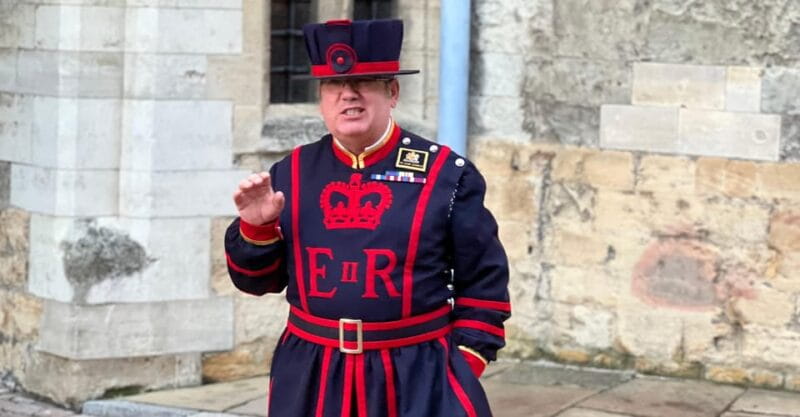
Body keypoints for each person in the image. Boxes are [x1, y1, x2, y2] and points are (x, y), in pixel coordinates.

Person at [224, 18, 510, 417]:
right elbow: (256, 282)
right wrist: (257, 228)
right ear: (321, 98)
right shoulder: (290, 174)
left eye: (365, 82)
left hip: (417, 374)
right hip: (313, 375)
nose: (349, 96)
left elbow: (484, 282)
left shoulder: (447, 175)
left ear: (392, 91)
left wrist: (461, 366)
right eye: (335, 86)